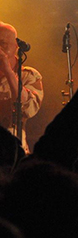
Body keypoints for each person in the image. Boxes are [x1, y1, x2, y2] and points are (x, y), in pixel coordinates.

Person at [0, 22, 43, 152]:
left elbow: (30, 109)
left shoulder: (29, 75)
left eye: (2, 43)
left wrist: (7, 71)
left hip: (13, 151)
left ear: (16, 46)